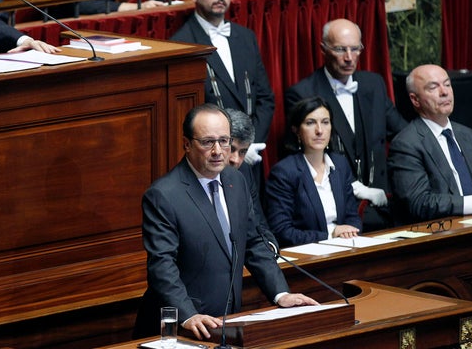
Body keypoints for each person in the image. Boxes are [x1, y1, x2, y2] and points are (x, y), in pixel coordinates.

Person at [134, 104, 317, 341]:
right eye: (208, 142)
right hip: (181, 328)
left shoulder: (235, 181)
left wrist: (280, 294)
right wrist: (188, 315)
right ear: (187, 144)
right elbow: (161, 266)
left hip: (227, 323)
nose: (218, 151)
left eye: (224, 140)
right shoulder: (164, 195)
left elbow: (253, 243)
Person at [284, 18, 407, 231]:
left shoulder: (374, 84)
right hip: (338, 210)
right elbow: (300, 154)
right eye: (340, 49)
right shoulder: (303, 93)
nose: (349, 57)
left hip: (382, 203)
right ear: (323, 50)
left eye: (355, 49)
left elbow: (402, 133)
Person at [170, 0, 274, 169]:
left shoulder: (245, 37)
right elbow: (187, 112)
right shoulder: (181, 44)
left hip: (251, 157)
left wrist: (247, 145)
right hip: (210, 161)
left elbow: (265, 99)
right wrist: (228, 149)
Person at [388, 64, 472, 223]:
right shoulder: (406, 144)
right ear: (415, 99)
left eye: (448, 84)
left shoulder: (468, 135)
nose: (445, 92)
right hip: (443, 233)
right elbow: (418, 202)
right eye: (433, 87)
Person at [266, 97, 361, 247]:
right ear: (296, 130)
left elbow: (352, 216)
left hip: (346, 246)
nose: (319, 130)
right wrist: (331, 235)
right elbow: (281, 231)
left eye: (325, 122)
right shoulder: (284, 172)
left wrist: (350, 231)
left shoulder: (340, 164)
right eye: (310, 123)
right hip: (308, 254)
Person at [226, 108, 277, 248]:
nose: (235, 160)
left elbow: (259, 223)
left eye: (243, 152)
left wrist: (270, 248)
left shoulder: (244, 171)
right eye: (231, 149)